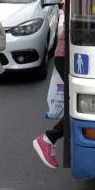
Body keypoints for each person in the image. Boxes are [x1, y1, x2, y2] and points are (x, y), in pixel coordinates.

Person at [33, 30, 66, 168]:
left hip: (80, 55)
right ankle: (49, 138)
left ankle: (50, 137)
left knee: (82, 106)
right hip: (69, 56)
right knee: (83, 106)